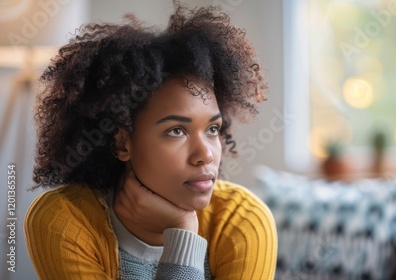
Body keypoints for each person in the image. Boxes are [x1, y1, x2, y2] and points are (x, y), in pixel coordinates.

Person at [24, 3, 277, 279]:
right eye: (176, 131)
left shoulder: (242, 221)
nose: (205, 154)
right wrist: (182, 230)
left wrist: (182, 228)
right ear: (122, 143)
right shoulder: (65, 220)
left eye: (213, 129)